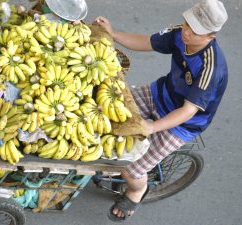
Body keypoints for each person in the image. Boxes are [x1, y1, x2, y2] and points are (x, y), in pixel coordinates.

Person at [93, 0, 228, 222]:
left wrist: (152, 126)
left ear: (210, 37)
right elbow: (148, 42)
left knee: (130, 170)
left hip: (181, 124)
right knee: (109, 110)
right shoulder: (179, 33)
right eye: (187, 24)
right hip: (160, 94)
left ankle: (137, 192)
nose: (186, 32)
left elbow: (187, 111)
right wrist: (113, 34)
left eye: (194, 32)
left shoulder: (210, 69)